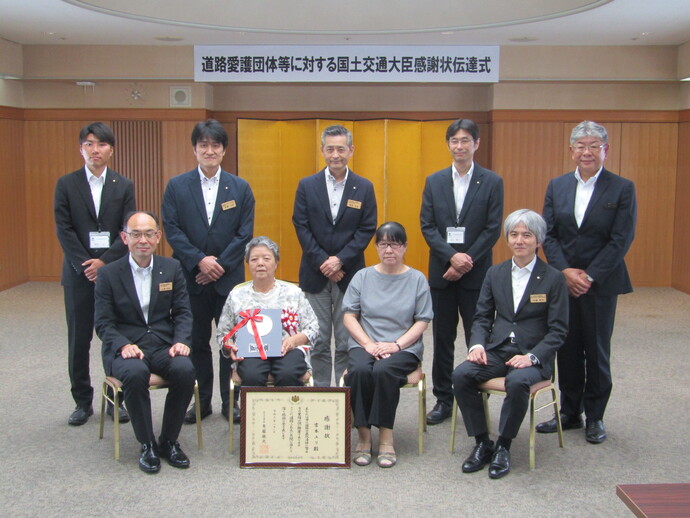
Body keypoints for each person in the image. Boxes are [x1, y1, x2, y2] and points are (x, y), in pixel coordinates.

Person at [537, 121, 637, 444]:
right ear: (571, 151)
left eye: (594, 146)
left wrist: (589, 275)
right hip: (563, 282)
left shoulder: (622, 188)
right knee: (566, 348)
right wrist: (564, 271)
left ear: (605, 150)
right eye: (580, 146)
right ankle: (569, 412)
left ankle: (595, 416)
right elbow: (549, 234)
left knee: (595, 349)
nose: (587, 152)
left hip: (600, 284)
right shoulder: (557, 186)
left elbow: (621, 239)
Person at [452, 209, 568, 479]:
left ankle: (504, 445)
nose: (519, 240)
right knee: (462, 375)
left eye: (527, 235)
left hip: (533, 356)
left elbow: (559, 330)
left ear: (538, 240)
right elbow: (481, 317)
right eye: (514, 234)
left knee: (517, 382)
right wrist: (477, 346)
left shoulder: (553, 278)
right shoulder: (495, 273)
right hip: (498, 349)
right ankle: (482, 442)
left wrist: (532, 357)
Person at [162, 119, 255, 424]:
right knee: (197, 343)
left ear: (224, 150)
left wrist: (219, 265)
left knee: (231, 343)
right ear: (194, 149)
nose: (210, 150)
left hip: (228, 280)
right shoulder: (177, 186)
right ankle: (201, 402)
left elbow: (245, 234)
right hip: (191, 278)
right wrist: (200, 261)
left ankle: (232, 402)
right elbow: (172, 230)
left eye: (216, 145)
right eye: (204, 145)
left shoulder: (240, 188)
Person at [94, 211, 195, 474]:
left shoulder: (171, 268)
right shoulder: (109, 274)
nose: (143, 240)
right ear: (124, 237)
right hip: (126, 347)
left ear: (158, 237)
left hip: (162, 344)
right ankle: (147, 443)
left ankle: (168, 441)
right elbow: (103, 323)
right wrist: (122, 345)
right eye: (136, 234)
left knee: (185, 369)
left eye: (149, 234)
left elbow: (183, 312)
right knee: (136, 374)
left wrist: (181, 341)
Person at [420, 118, 504, 425]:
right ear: (448, 145)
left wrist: (466, 260)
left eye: (465, 140)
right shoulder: (435, 181)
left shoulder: (492, 181)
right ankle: (443, 398)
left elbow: (493, 228)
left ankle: (476, 397)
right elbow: (427, 226)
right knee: (442, 339)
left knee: (478, 338)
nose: (460, 146)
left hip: (477, 274)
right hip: (442, 273)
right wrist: (452, 258)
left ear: (476, 144)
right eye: (454, 141)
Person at [54, 122, 136, 426]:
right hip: (78, 274)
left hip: (113, 273)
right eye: (88, 144)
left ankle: (116, 400)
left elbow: (128, 229)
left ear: (111, 150)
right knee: (79, 338)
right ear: (80, 149)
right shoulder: (66, 184)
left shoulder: (123, 185)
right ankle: (82, 401)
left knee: (115, 336)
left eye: (101, 145)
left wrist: (105, 263)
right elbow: (64, 229)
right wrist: (85, 264)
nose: (95, 150)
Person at [342, 222, 433, 468]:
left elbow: (422, 320)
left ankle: (385, 436)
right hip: (366, 343)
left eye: (394, 244)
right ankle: (363, 436)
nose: (388, 249)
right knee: (359, 371)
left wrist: (396, 345)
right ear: (376, 247)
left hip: (403, 347)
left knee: (383, 371)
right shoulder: (362, 276)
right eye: (383, 244)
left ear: (404, 247)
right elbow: (349, 316)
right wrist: (369, 344)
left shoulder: (416, 279)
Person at [292, 124, 377, 387]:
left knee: (345, 340)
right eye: (330, 149)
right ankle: (320, 394)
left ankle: (345, 395)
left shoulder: (363, 187)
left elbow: (367, 228)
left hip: (348, 274)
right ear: (322, 151)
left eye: (341, 148)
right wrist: (323, 262)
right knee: (316, 340)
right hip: (314, 273)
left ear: (351, 150)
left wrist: (339, 260)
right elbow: (301, 225)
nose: (335, 154)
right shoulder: (307, 185)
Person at [217, 237, 319, 389]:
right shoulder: (237, 295)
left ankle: (285, 412)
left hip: (287, 350)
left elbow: (313, 327)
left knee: (287, 373)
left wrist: (295, 340)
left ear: (276, 262)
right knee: (252, 375)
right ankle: (256, 413)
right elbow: (223, 333)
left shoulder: (293, 292)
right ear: (248, 264)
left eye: (266, 258)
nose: (260, 264)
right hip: (251, 352)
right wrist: (229, 345)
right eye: (254, 259)